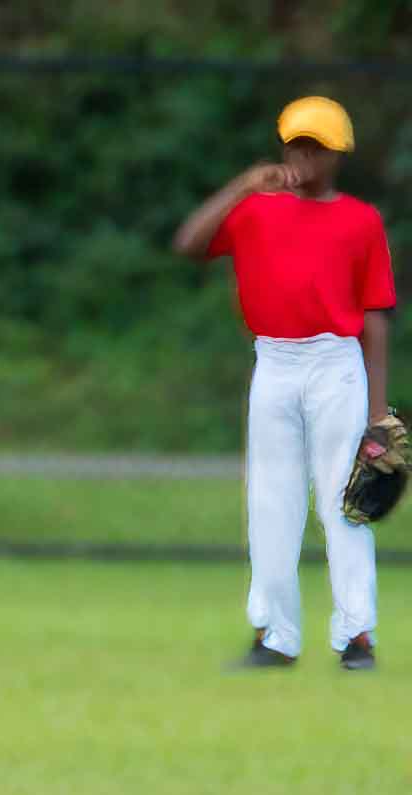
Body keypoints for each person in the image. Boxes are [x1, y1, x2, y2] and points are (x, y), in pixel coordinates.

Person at [173, 95, 395, 671]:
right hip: (272, 361)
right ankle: (274, 635)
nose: (302, 153)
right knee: (270, 501)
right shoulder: (256, 210)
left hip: (334, 362)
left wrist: (378, 415)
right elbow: (190, 243)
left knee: (346, 503)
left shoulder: (360, 220)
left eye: (315, 145)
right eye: (295, 142)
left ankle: (357, 635)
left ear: (337, 153)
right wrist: (245, 183)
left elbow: (374, 318)